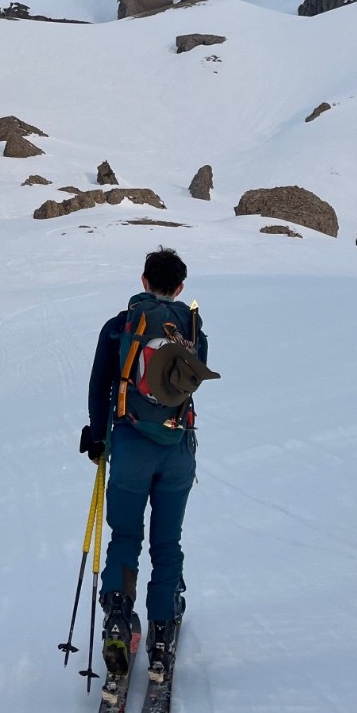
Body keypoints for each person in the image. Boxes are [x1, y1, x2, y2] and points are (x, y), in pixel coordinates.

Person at [79, 247, 211, 685]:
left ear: (143, 280)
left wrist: (99, 438)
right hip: (177, 450)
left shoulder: (119, 327)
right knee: (166, 543)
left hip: (130, 447)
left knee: (125, 536)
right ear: (180, 287)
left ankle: (118, 619)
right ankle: (162, 634)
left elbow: (99, 385)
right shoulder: (193, 330)